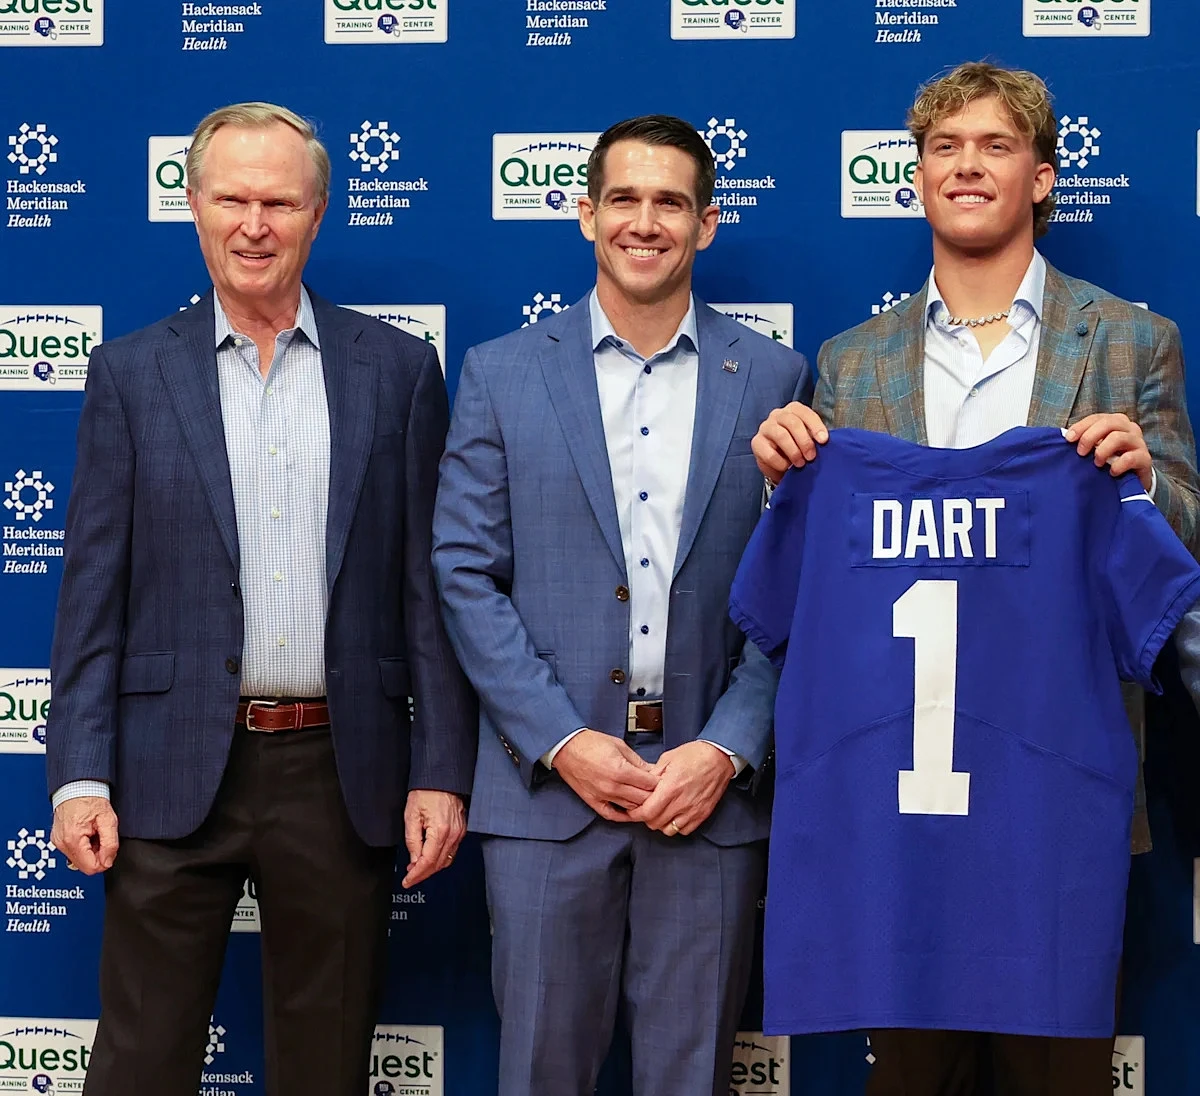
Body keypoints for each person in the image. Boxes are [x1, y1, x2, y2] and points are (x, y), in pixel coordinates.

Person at [749, 62, 1200, 1096]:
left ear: (1041, 178)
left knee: (1057, 1076)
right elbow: (824, 580)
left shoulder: (1131, 341)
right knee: (914, 1077)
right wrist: (783, 482)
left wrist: (1143, 483)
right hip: (899, 796)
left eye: (996, 146)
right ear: (916, 177)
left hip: (1052, 790)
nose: (967, 166)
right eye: (945, 148)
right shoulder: (851, 360)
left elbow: (1184, 547)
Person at [45, 102, 476, 1096]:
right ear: (193, 206)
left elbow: (429, 591)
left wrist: (442, 769)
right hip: (164, 769)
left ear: (318, 213)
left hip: (342, 770)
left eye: (278, 202)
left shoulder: (399, 372)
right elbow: (91, 593)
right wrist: (78, 775)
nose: (253, 225)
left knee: (325, 1068)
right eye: (231, 199)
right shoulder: (129, 373)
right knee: (139, 1065)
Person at [432, 114, 811, 1096]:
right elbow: (464, 573)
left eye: (671, 202)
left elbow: (794, 590)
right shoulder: (501, 372)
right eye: (625, 199)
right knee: (540, 1074)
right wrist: (562, 739)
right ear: (586, 214)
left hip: (706, 799)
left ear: (707, 223)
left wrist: (727, 747)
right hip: (547, 796)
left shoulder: (774, 377)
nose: (646, 222)